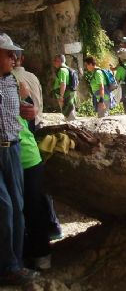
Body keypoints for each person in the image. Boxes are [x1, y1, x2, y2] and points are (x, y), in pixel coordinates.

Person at [0, 33, 38, 285]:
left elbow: (28, 112)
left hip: (12, 149)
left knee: (16, 206)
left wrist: (31, 110)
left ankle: (15, 263)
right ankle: (9, 266)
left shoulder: (13, 82)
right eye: (8, 53)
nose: (14, 58)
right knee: (4, 207)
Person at [18, 117, 51, 271]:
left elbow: (30, 113)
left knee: (33, 207)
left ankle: (41, 255)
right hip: (14, 155)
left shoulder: (18, 92)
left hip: (27, 155)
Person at [12, 52, 43, 131]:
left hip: (23, 128)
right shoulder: (33, 76)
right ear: (22, 58)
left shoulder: (9, 78)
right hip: (37, 123)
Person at [53, 54, 77, 121]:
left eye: (55, 60)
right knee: (69, 111)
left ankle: (72, 128)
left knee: (69, 112)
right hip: (69, 94)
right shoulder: (66, 69)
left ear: (60, 61)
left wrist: (61, 96)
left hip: (66, 95)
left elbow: (63, 84)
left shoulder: (62, 70)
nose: (54, 62)